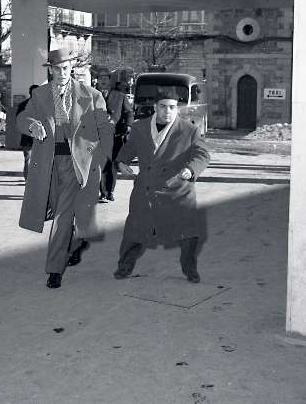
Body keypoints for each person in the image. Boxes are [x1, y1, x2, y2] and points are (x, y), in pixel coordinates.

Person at [16, 49, 114, 289]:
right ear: (50, 69)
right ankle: (77, 241)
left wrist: (101, 160)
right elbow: (22, 118)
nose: (62, 73)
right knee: (62, 213)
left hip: (78, 165)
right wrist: (32, 126)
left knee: (62, 216)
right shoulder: (40, 95)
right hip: (48, 166)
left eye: (66, 68)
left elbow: (105, 129)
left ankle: (54, 269)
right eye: (57, 69)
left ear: (72, 69)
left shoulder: (91, 95)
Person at [113, 87, 210, 283]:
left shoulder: (189, 130)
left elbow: (202, 154)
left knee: (188, 234)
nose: (168, 111)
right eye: (163, 106)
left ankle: (190, 269)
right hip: (146, 189)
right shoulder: (140, 127)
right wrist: (122, 162)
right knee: (134, 232)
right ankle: (124, 267)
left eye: (172, 107)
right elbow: (129, 148)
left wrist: (191, 169)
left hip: (177, 190)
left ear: (178, 108)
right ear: (155, 107)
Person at [96, 69, 134, 203]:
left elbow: (129, 112)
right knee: (101, 163)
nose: (103, 80)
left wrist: (128, 126)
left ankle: (110, 191)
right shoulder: (90, 95)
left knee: (112, 164)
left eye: (105, 78)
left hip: (115, 135)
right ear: (97, 80)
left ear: (110, 80)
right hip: (97, 135)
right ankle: (102, 192)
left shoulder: (120, 96)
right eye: (100, 78)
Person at [15, 84, 39, 180]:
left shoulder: (22, 105)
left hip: (27, 137)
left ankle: (28, 180)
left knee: (28, 159)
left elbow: (18, 120)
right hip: (38, 138)